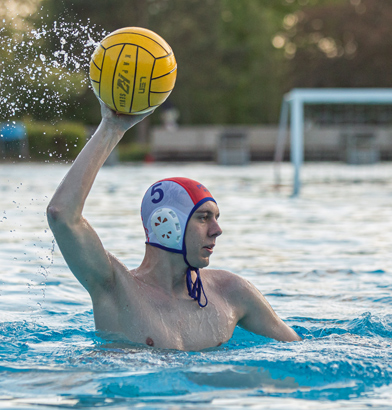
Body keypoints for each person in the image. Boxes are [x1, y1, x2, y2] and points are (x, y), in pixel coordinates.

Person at [46, 102, 301, 351]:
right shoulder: (116, 288)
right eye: (203, 217)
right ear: (166, 224)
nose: (217, 230)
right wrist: (112, 128)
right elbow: (62, 215)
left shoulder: (231, 292)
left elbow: (299, 351)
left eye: (216, 218)